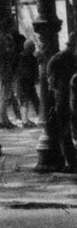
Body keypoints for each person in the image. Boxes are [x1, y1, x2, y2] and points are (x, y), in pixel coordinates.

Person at [47, 33, 77, 171]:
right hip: (64, 98)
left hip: (66, 97)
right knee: (65, 130)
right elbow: (51, 82)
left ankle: (71, 162)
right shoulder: (60, 59)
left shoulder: (59, 58)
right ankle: (71, 162)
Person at [15, 37, 40, 127]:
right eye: (33, 47)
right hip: (24, 82)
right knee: (26, 101)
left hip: (26, 82)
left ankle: (28, 120)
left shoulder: (22, 57)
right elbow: (25, 71)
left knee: (31, 101)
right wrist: (35, 78)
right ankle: (26, 122)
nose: (34, 48)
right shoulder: (26, 58)